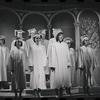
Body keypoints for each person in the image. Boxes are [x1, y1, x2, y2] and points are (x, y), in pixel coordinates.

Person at [48, 31, 72, 97]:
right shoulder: (54, 45)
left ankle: (61, 93)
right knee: (57, 78)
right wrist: (52, 65)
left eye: (62, 35)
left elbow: (67, 55)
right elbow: (52, 55)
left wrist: (68, 62)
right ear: (57, 37)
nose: (61, 37)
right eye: (59, 35)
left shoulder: (65, 45)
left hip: (64, 63)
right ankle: (56, 93)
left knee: (63, 79)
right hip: (57, 64)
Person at [28, 33, 47, 97]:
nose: (37, 39)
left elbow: (44, 56)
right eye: (36, 38)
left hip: (41, 65)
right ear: (34, 39)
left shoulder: (43, 47)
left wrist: (44, 64)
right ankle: (35, 92)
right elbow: (30, 56)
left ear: (40, 39)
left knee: (40, 78)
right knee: (35, 78)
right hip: (34, 65)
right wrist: (31, 65)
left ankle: (39, 92)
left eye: (39, 38)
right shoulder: (32, 47)